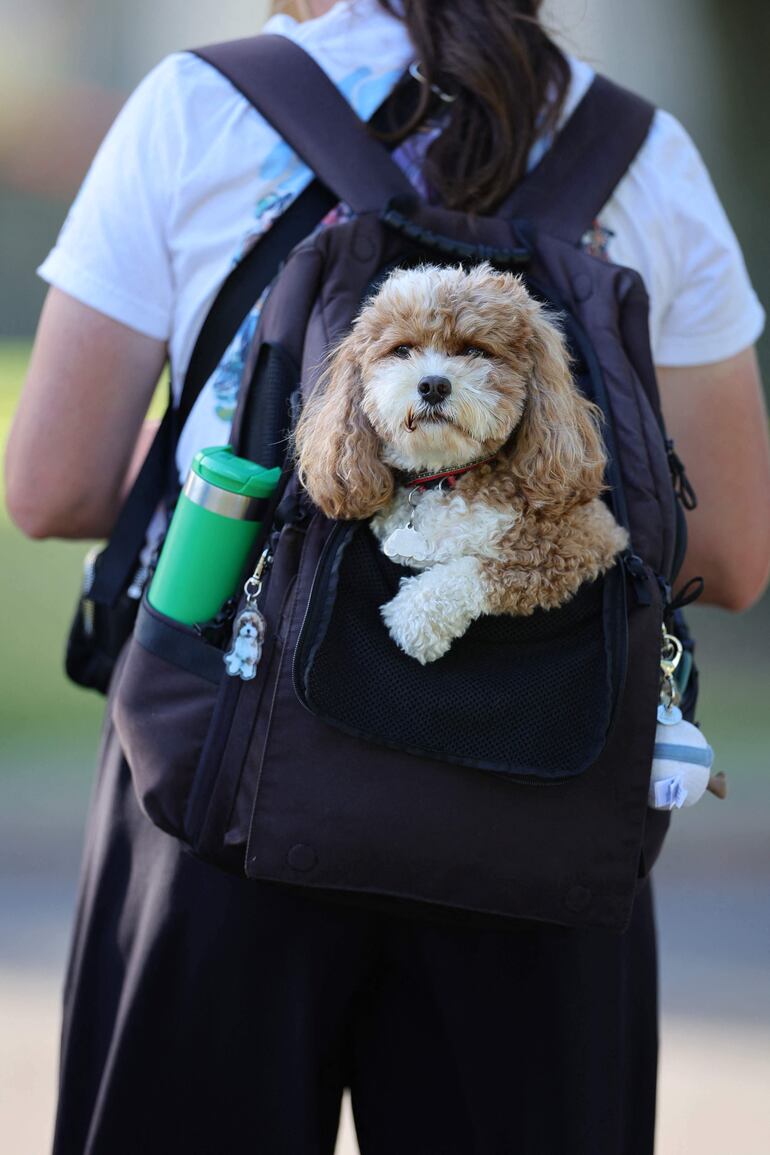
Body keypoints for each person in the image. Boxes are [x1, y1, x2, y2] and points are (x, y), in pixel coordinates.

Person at [6, 1, 770, 1151]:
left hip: (225, 776)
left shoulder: (202, 106)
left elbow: (52, 486)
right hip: (542, 798)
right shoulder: (640, 150)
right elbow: (729, 557)